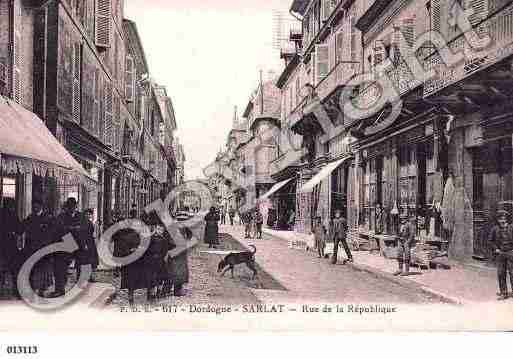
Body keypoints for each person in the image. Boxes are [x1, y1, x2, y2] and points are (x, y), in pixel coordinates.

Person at [20, 200, 54, 298]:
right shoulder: (30, 218)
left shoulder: (48, 218)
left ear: (41, 206)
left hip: (44, 247)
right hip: (31, 247)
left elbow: (52, 232)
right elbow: (21, 228)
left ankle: (42, 289)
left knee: (44, 269)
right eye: (34, 207)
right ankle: (33, 289)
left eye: (37, 206)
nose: (35, 208)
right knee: (33, 269)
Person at [49, 198, 82, 298]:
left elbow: (85, 227)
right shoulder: (61, 216)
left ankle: (79, 289)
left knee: (81, 267)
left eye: (73, 206)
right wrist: (72, 228)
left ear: (76, 206)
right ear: (66, 207)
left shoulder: (80, 216)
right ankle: (59, 290)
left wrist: (71, 229)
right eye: (69, 206)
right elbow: (58, 229)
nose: (71, 208)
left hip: (78, 244)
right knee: (59, 267)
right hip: (64, 244)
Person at [488, 210, 513, 300]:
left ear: (507, 219)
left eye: (504, 219)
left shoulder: (511, 227)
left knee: (512, 273)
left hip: (511, 252)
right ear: (498, 220)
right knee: (501, 273)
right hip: (500, 253)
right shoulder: (495, 229)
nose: (502, 221)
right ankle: (503, 293)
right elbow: (490, 241)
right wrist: (495, 249)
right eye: (500, 219)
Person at [0, 199, 22, 298]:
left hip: (3, 245)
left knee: (2, 269)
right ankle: (16, 290)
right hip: (10, 245)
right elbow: (19, 230)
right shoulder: (13, 215)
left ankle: (1, 288)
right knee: (14, 268)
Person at [76, 209, 99, 283]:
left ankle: (91, 276)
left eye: (89, 214)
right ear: (84, 215)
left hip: (90, 243)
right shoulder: (82, 223)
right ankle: (79, 277)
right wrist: (84, 244)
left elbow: (92, 233)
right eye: (87, 214)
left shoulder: (90, 223)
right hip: (83, 243)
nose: (88, 215)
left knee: (93, 260)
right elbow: (81, 235)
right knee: (81, 261)